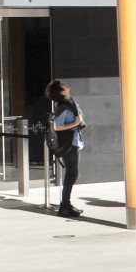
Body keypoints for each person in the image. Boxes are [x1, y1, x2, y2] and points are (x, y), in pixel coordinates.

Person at [46, 79, 84, 219]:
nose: (66, 84)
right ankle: (65, 206)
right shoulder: (63, 107)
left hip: (74, 142)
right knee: (71, 174)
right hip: (69, 145)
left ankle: (66, 204)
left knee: (72, 174)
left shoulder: (69, 103)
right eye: (63, 85)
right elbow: (55, 126)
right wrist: (74, 123)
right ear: (61, 92)